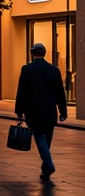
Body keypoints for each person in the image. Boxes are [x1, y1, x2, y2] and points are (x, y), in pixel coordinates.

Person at [15, 42, 68, 180]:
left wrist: (19, 110)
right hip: (50, 111)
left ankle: (49, 165)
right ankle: (45, 168)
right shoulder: (54, 70)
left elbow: (22, 91)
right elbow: (60, 94)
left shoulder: (27, 69)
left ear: (32, 53)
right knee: (47, 139)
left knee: (39, 137)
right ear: (44, 53)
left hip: (34, 111)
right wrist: (63, 112)